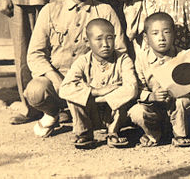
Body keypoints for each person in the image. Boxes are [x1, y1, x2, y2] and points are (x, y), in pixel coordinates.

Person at [24, 0, 126, 138]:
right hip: (58, 80)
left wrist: (103, 83)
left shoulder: (104, 10)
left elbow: (120, 50)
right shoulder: (50, 11)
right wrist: (55, 78)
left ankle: (92, 115)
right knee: (36, 91)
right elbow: (35, 54)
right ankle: (53, 112)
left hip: (94, 83)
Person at [59, 18, 138, 149]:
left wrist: (99, 98)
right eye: (99, 39)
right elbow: (64, 89)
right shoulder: (82, 61)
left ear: (115, 38)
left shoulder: (123, 59)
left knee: (125, 97)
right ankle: (84, 134)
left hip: (114, 114)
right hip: (91, 114)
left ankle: (114, 132)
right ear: (87, 42)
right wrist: (96, 92)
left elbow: (132, 88)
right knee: (73, 97)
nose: (105, 44)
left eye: (109, 38)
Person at [128, 12, 190, 147]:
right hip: (155, 109)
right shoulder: (141, 59)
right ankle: (154, 135)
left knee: (184, 101)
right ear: (146, 38)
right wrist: (151, 96)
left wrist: (179, 91)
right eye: (155, 33)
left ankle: (180, 135)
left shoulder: (182, 55)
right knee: (137, 112)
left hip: (178, 109)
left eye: (166, 32)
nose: (162, 38)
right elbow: (138, 89)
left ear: (174, 34)